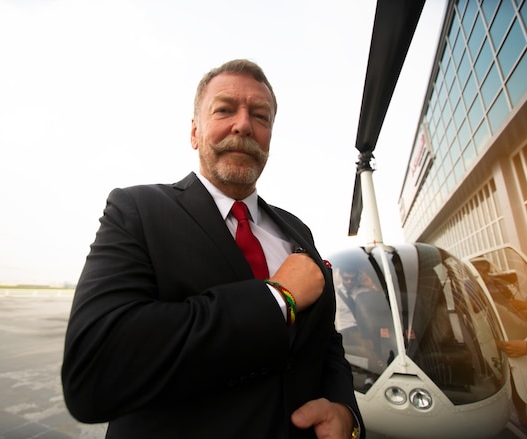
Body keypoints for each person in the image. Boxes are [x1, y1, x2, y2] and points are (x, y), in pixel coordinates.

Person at [61, 59, 364, 439]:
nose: (243, 125)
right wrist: (278, 299)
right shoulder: (137, 210)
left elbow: (327, 341)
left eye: (261, 116)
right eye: (224, 110)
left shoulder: (298, 231)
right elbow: (95, 371)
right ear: (194, 132)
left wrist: (346, 411)